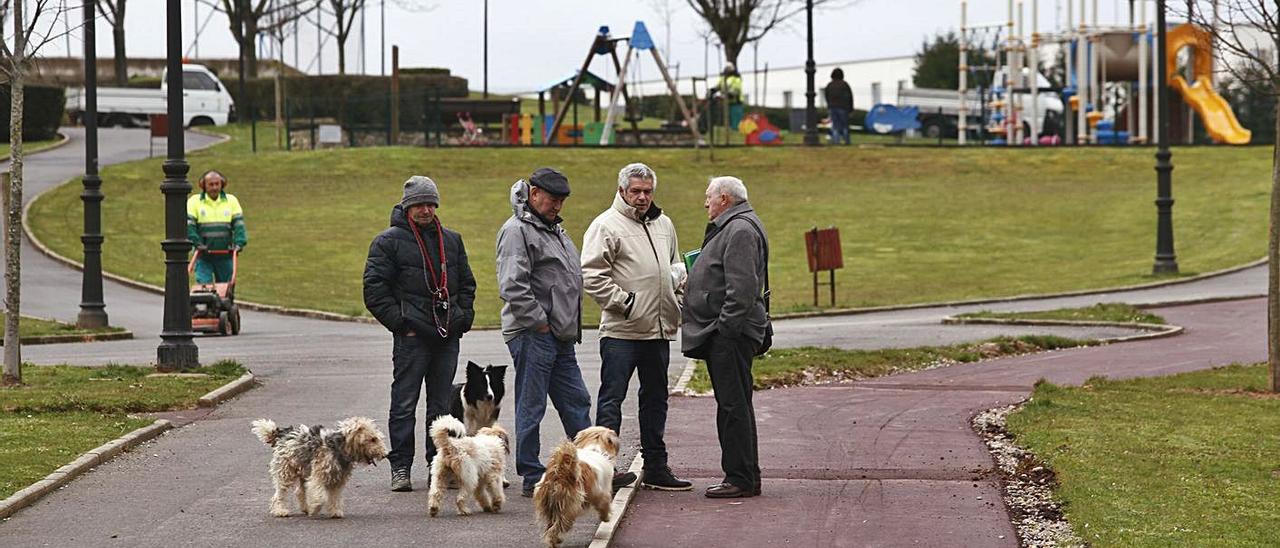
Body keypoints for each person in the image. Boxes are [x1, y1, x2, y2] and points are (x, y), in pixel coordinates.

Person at [581, 163, 693, 491]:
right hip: (621, 331)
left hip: (659, 330)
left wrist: (680, 301)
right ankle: (605, 469)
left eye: (647, 191)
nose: (642, 197)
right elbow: (591, 274)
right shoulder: (605, 225)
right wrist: (625, 303)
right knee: (612, 399)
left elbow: (675, 268)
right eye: (636, 191)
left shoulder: (665, 224)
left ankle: (656, 467)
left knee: (656, 399)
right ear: (622, 191)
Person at [363, 176, 477, 492]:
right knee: (404, 403)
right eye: (419, 204)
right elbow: (374, 290)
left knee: (441, 406)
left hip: (446, 336)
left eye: (430, 203)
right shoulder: (387, 242)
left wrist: (462, 318)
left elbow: (467, 284)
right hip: (412, 338)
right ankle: (400, 468)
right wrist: (402, 324)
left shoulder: (451, 240)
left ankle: (438, 466)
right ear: (407, 206)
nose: (426, 209)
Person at [496, 167, 595, 498]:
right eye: (553, 200)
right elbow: (513, 285)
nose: (557, 207)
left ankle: (590, 467)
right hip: (533, 333)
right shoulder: (516, 231)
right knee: (531, 403)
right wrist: (539, 321)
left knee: (576, 400)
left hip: (560, 334)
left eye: (562, 201)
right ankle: (531, 474)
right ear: (534, 193)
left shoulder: (555, 230)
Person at [681, 176, 769, 499]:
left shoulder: (740, 229)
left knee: (733, 407)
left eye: (709, 197)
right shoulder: (736, 226)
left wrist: (724, 331)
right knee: (735, 406)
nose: (705, 203)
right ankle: (744, 475)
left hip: (731, 335)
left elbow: (742, 289)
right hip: (730, 333)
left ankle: (740, 477)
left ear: (724, 199)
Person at [186, 170, 247, 284]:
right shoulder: (195, 202)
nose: (214, 188)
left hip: (225, 254)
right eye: (211, 184)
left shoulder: (231, 201)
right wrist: (197, 243)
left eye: (217, 184)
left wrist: (239, 242)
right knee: (204, 285)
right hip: (203, 255)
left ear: (222, 184)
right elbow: (189, 227)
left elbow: (239, 225)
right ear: (204, 185)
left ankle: (225, 300)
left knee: (226, 287)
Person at [825, 67, 854, 145]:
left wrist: (829, 106)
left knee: (835, 126)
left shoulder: (829, 85)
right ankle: (846, 141)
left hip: (832, 107)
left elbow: (826, 96)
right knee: (845, 126)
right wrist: (851, 109)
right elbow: (849, 97)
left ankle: (836, 141)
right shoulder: (844, 85)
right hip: (843, 108)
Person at [715, 63, 745, 132]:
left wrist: (730, 93)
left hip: (736, 102)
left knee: (736, 118)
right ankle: (730, 129)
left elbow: (737, 89)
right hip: (727, 102)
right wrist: (713, 90)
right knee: (728, 118)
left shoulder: (736, 78)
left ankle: (737, 130)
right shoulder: (723, 79)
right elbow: (718, 86)